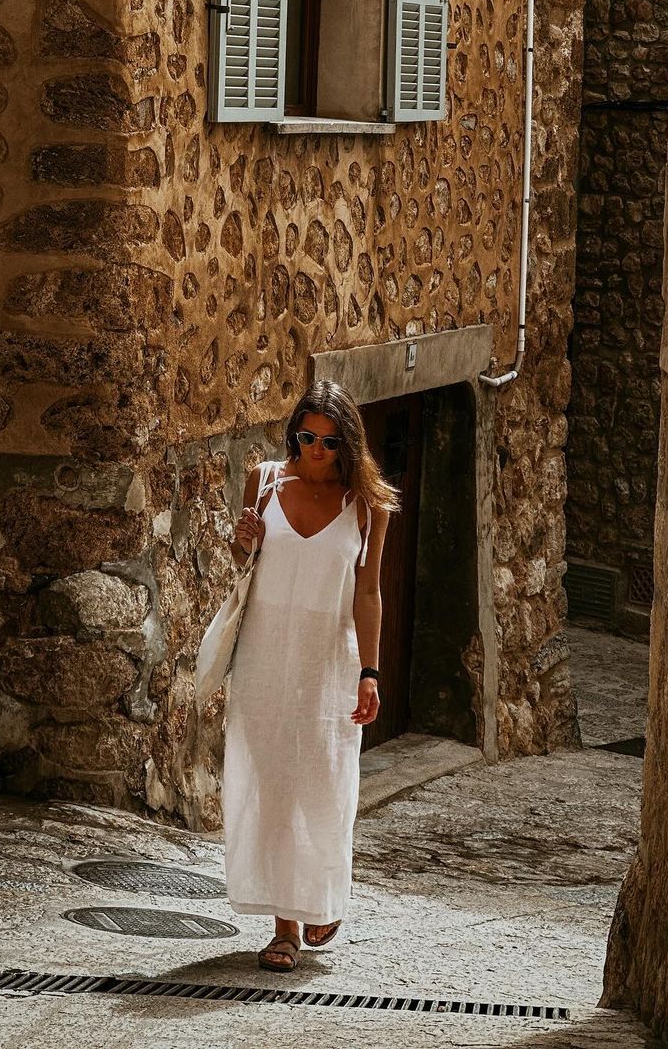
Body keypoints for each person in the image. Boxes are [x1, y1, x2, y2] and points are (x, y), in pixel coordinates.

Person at [223, 379, 398, 972]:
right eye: (306, 438)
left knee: (324, 785)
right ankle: (285, 927)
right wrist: (242, 543)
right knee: (273, 785)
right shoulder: (265, 482)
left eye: (328, 441)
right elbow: (245, 564)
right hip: (265, 655)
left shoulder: (367, 506)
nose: (316, 451)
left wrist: (370, 672)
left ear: (348, 443)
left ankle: (323, 892)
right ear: (293, 435)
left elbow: (368, 593)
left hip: (329, 661)